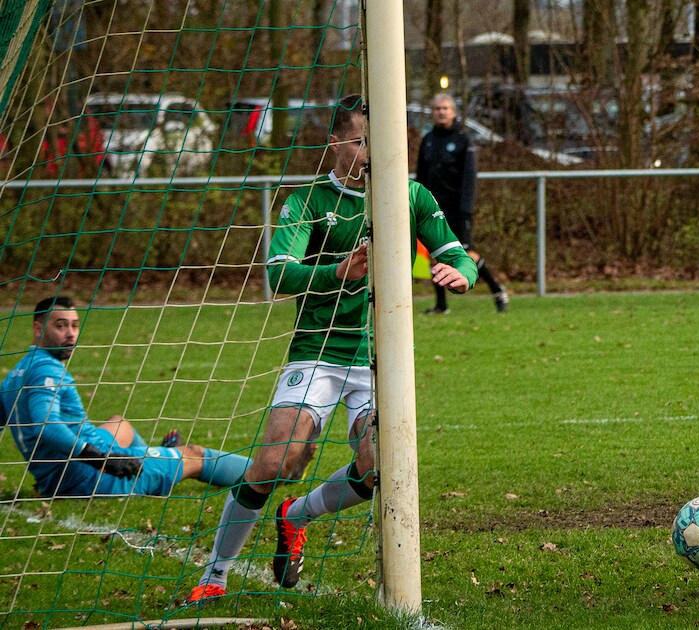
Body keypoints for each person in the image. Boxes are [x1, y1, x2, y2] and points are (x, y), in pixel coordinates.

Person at [187, 94, 478, 605]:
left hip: (379, 357)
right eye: (361, 141)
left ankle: (295, 517)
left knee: (377, 465)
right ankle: (215, 575)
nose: (371, 151)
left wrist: (463, 274)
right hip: (317, 349)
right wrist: (336, 272)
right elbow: (279, 273)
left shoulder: (410, 195)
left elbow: (455, 250)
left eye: (379, 141)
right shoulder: (307, 201)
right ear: (336, 142)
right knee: (277, 460)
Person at [0, 296, 252, 498]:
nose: (70, 333)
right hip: (90, 476)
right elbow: (47, 426)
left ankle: (155, 459)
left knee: (120, 424)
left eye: (74, 325)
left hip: (58, 475)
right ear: (38, 328)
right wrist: (101, 459)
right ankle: (266, 473)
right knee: (194, 455)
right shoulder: (47, 370)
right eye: (60, 325)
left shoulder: (16, 374)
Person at [417, 93, 509, 314]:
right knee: (434, 254)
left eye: (445, 108)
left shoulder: (463, 140)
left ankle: (497, 290)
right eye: (437, 108)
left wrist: (465, 210)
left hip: (457, 210)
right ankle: (441, 305)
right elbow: (421, 176)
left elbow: (469, 178)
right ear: (432, 112)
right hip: (432, 209)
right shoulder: (427, 139)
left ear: (453, 112)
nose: (441, 112)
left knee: (466, 254)